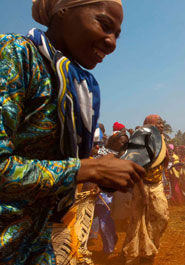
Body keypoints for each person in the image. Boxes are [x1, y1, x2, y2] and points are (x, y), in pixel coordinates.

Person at [0, 1, 147, 264]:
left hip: (38, 245)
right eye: (104, 25)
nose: (112, 42)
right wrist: (86, 169)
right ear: (63, 11)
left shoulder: (70, 82)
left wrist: (103, 174)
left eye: (117, 34)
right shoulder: (14, 54)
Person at [123, 114, 169, 264]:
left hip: (156, 185)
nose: (161, 126)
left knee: (161, 216)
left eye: (162, 124)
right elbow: (136, 169)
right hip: (140, 185)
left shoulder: (161, 141)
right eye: (159, 123)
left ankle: (150, 248)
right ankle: (133, 253)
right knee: (137, 221)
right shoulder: (141, 142)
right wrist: (142, 193)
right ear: (150, 125)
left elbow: (165, 163)